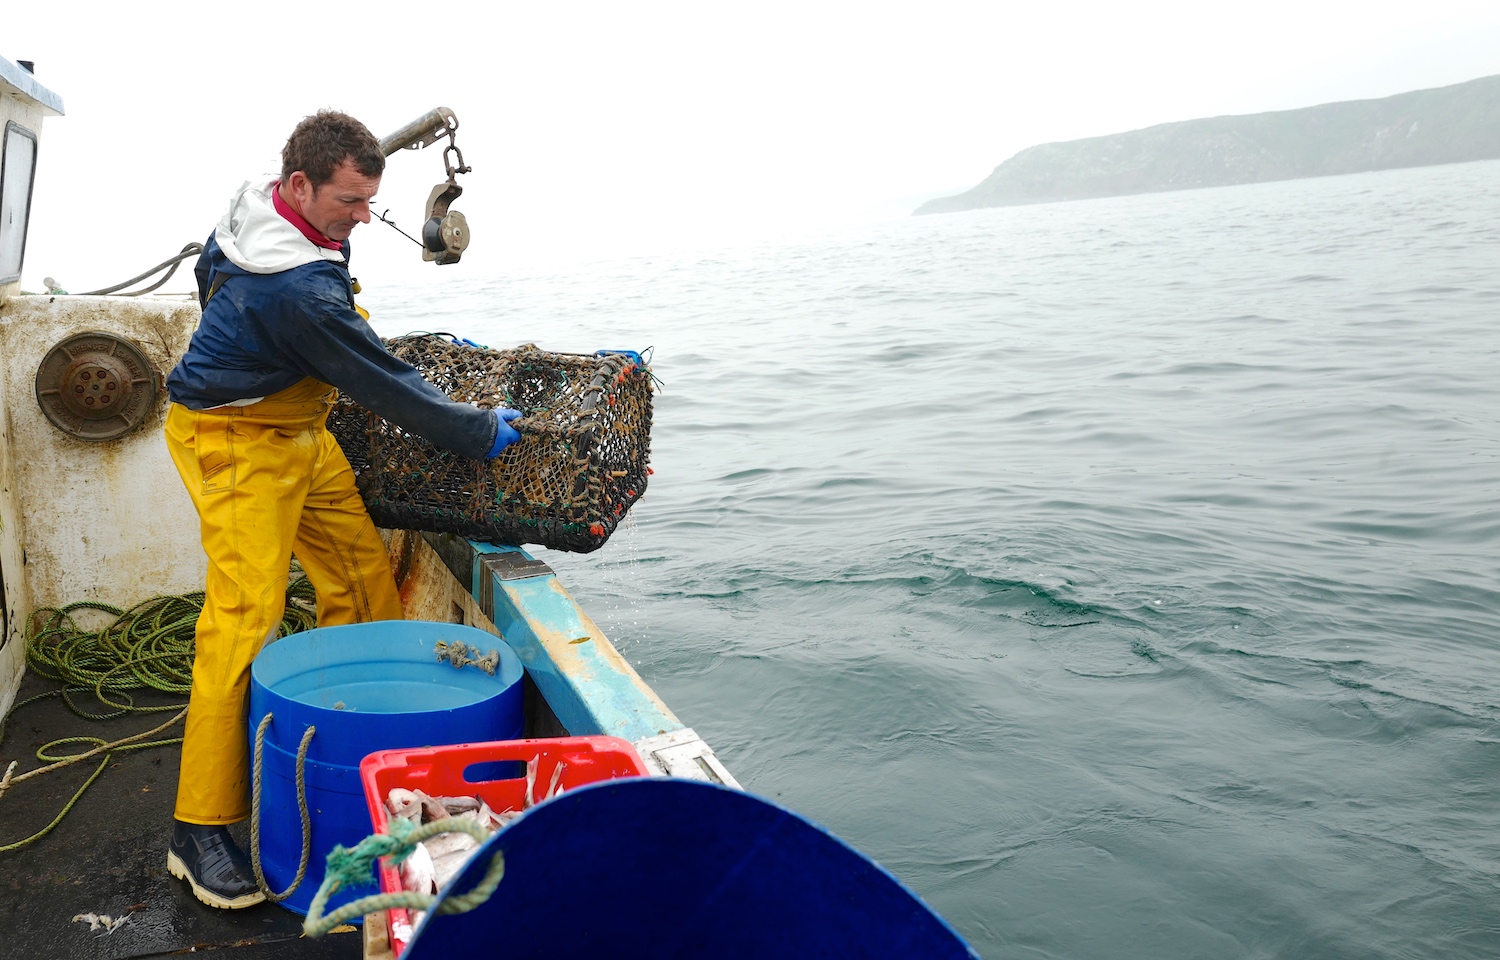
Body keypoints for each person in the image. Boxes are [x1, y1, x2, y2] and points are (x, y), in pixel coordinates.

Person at [161, 110, 519, 909]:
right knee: (243, 619)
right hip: (233, 441)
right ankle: (198, 828)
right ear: (299, 184)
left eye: (369, 199)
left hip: (299, 431)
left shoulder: (262, 207)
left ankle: (352, 741)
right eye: (350, 202)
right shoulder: (300, 292)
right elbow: (385, 386)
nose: (363, 216)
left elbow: (218, 280)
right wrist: (478, 430)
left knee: (360, 574)